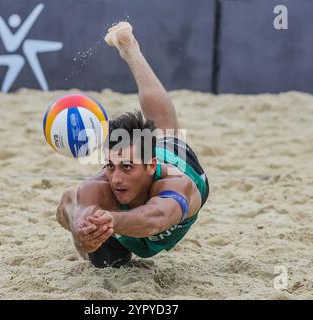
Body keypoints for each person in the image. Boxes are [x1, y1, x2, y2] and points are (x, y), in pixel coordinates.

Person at [56, 22, 209, 268]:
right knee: (105, 262)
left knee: (167, 130)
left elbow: (155, 219)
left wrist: (110, 221)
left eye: (126, 168)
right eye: (110, 166)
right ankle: (70, 203)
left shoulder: (178, 183)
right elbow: (83, 243)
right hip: (121, 211)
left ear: (151, 166)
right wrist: (81, 229)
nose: (115, 178)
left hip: (174, 159)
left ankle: (131, 50)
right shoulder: (98, 187)